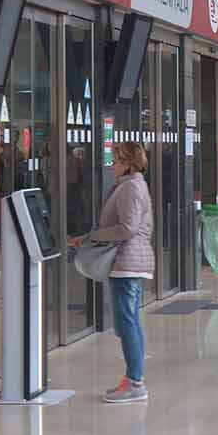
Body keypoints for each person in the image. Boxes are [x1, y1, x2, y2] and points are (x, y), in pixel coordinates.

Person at [68, 142, 154, 403]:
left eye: (116, 160)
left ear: (128, 163)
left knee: (126, 322)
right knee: (130, 321)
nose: (112, 165)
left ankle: (135, 382)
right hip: (129, 260)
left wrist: (93, 236)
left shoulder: (130, 188)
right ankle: (133, 378)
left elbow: (127, 228)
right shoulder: (133, 185)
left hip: (127, 261)